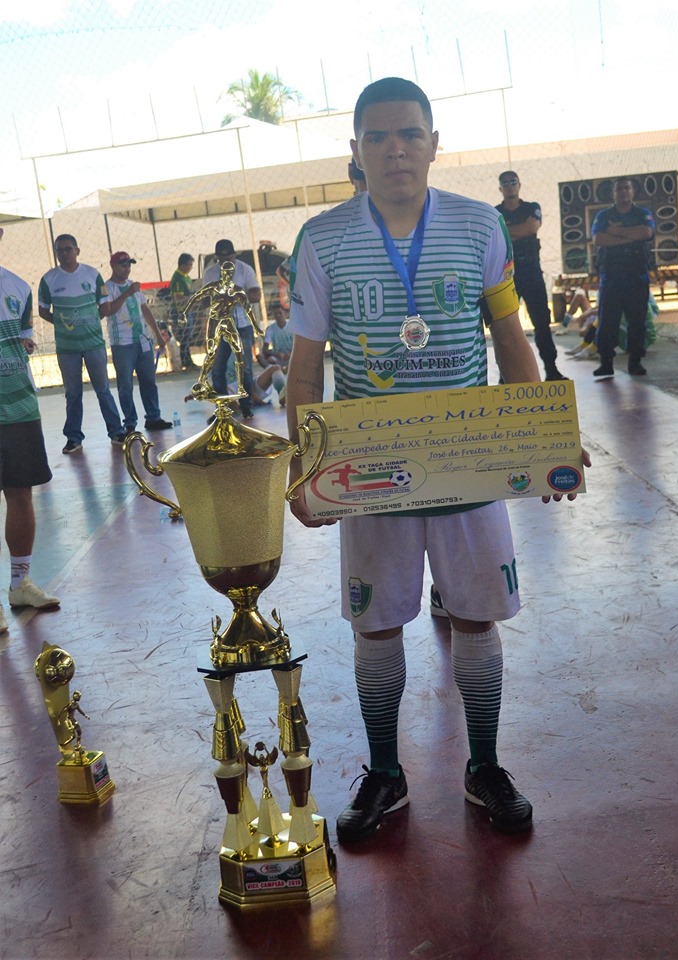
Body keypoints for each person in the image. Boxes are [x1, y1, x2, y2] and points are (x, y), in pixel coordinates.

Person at [286, 77, 590, 845]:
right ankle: (386, 773)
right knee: (377, 626)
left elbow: (511, 339)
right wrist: (304, 468)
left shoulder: (479, 224)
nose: (396, 149)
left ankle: (483, 763)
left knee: (479, 616)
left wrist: (545, 440)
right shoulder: (321, 240)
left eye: (410, 133)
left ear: (433, 143)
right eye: (379, 136)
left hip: (470, 465)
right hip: (368, 472)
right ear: (354, 149)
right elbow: (305, 367)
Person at [0, 227, 60, 633]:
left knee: (21, 494)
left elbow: (23, 342)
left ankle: (21, 584)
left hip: (19, 408)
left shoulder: (18, 287)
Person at [38, 234, 126, 453]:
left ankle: (116, 431)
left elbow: (104, 306)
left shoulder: (92, 274)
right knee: (73, 393)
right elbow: (42, 310)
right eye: (60, 250)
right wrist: (62, 324)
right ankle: (74, 438)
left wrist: (89, 322)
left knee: (103, 389)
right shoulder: (49, 279)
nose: (64, 253)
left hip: (94, 344)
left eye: (68, 249)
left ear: (77, 250)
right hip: (67, 348)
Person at [496, 171, 566, 381]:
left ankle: (551, 369)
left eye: (513, 182)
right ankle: (504, 377)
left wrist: (508, 231)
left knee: (542, 324)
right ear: (500, 188)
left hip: (532, 274)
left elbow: (531, 227)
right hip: (506, 277)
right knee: (504, 328)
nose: (509, 186)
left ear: (519, 185)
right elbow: (496, 236)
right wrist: (516, 230)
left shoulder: (532, 208)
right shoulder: (495, 213)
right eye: (505, 183)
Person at [590, 178, 655, 379]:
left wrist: (617, 232)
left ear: (633, 191)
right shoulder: (604, 215)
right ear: (613, 194)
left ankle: (635, 362)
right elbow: (599, 239)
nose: (623, 192)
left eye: (627, 188)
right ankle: (606, 362)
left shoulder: (642, 213)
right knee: (607, 322)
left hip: (637, 276)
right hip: (612, 277)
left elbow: (646, 232)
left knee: (637, 322)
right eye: (619, 189)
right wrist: (630, 236)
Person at [105, 252, 172, 433]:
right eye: (122, 265)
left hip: (143, 340)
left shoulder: (134, 287)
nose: (126, 269)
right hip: (122, 344)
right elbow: (108, 310)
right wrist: (127, 293)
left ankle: (153, 417)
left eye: (128, 265)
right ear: (113, 266)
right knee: (125, 384)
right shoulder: (107, 288)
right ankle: (130, 422)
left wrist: (157, 334)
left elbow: (144, 309)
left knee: (149, 381)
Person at [200, 240, 262, 418]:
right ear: (217, 258)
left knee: (245, 368)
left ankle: (246, 406)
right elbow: (204, 301)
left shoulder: (245, 270)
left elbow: (256, 295)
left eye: (229, 256)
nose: (226, 260)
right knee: (217, 369)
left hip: (242, 325)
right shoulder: (210, 273)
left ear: (234, 255)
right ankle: (222, 408)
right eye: (222, 257)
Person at [169, 253, 197, 370]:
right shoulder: (178, 278)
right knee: (184, 336)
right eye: (189, 265)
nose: (191, 267)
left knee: (187, 336)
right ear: (183, 265)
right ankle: (186, 361)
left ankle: (187, 359)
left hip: (187, 310)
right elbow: (178, 297)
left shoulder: (186, 277)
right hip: (180, 311)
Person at [260, 302, 292, 370]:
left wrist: (290, 353)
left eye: (280, 313)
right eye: (275, 314)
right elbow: (264, 349)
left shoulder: (292, 326)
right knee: (262, 358)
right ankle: (278, 370)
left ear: (285, 313)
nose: (278, 315)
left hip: (291, 356)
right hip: (278, 358)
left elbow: (298, 344)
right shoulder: (270, 329)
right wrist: (276, 354)